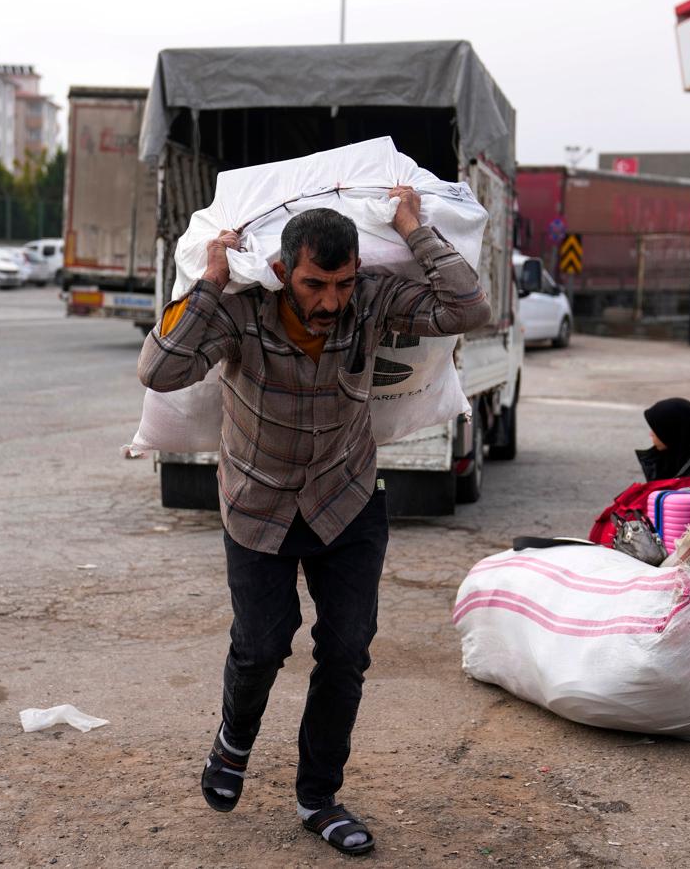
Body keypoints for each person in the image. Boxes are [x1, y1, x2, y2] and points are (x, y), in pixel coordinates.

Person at [137, 189, 490, 857]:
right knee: (262, 645)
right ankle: (233, 742)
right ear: (280, 271)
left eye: (340, 283)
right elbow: (159, 370)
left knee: (347, 652)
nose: (329, 301)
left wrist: (413, 226)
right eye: (313, 284)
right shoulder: (242, 311)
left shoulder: (373, 300)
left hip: (346, 499)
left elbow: (471, 307)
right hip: (257, 502)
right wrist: (212, 282)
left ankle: (318, 797)